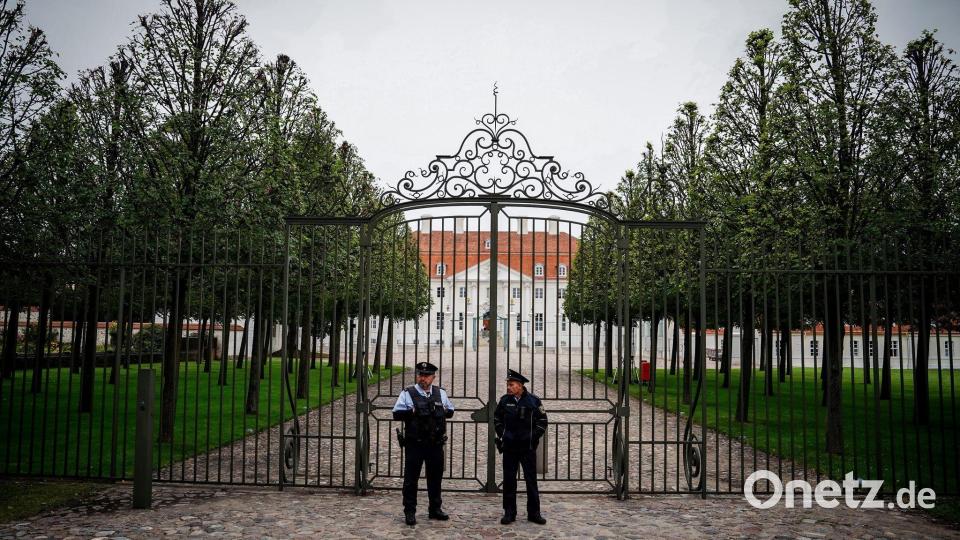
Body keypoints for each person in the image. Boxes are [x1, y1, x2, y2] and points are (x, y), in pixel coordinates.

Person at [392, 361, 454, 526]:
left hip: (435, 444)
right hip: (415, 443)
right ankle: (410, 511)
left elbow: (450, 411)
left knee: (435, 478)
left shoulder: (440, 393)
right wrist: (411, 412)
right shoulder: (408, 393)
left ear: (433, 377)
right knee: (411, 479)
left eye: (426, 376)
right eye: (420, 375)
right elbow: (396, 414)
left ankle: (435, 508)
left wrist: (438, 411)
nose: (423, 378)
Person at [494, 368, 547, 525]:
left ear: (520, 385)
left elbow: (543, 421)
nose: (508, 387)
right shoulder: (504, 400)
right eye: (508, 385)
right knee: (509, 480)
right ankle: (509, 512)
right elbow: (497, 418)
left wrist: (532, 437)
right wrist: (503, 434)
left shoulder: (533, 401)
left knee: (531, 480)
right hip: (510, 447)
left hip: (527, 448)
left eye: (511, 385)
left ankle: (534, 513)